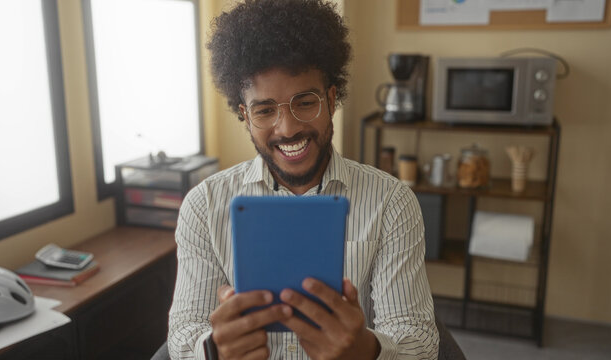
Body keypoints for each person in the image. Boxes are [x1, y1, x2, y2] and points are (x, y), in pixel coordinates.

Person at [168, 0, 439, 359]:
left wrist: (367, 351)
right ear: (244, 117)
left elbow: (419, 339)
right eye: (265, 110)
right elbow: (183, 332)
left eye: (305, 102)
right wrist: (213, 350)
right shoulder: (203, 207)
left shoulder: (391, 202)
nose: (288, 128)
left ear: (331, 99)